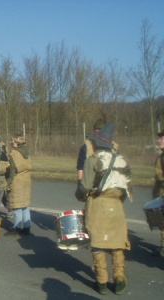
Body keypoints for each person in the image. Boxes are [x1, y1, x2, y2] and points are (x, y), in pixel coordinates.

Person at [75, 123, 132, 295]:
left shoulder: (93, 160)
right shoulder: (122, 160)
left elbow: (84, 187)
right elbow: (127, 188)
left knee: (98, 243)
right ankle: (120, 279)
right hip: (116, 206)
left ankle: (101, 282)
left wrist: (79, 196)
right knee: (117, 244)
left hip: (97, 204)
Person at [4, 134, 32, 236]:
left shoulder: (14, 153)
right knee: (25, 205)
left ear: (16, 142)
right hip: (26, 179)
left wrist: (8, 182)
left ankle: (17, 227)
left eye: (12, 141)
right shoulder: (27, 152)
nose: (11, 142)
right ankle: (27, 227)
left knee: (16, 205)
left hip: (17, 180)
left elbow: (12, 169)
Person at [76, 118, 107, 184]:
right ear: (94, 130)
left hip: (109, 183)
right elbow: (81, 166)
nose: (98, 132)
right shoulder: (87, 146)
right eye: (97, 129)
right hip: (91, 182)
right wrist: (80, 183)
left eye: (101, 130)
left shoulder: (113, 147)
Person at [151, 129, 164, 257]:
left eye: (162, 138)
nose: (158, 140)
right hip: (161, 193)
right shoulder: (161, 156)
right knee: (162, 223)